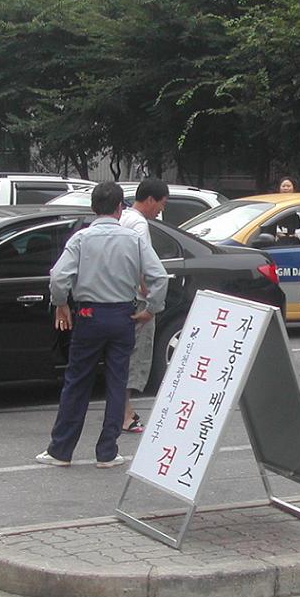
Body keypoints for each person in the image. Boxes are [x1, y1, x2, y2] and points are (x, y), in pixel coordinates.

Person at [36, 182, 167, 469]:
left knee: (77, 381)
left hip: (88, 315)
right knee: (117, 382)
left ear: (94, 208)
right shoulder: (133, 239)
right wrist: (151, 309)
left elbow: (59, 277)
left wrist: (60, 304)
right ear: (121, 208)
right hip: (123, 316)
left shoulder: (81, 239)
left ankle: (61, 450)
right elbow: (158, 277)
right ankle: (107, 452)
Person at [119, 178, 169, 434]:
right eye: (162, 203)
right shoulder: (139, 224)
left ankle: (122, 410)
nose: (162, 209)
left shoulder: (124, 217)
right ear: (150, 200)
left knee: (122, 356)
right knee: (135, 356)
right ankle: (125, 413)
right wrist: (148, 293)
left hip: (120, 296)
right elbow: (142, 261)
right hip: (137, 299)